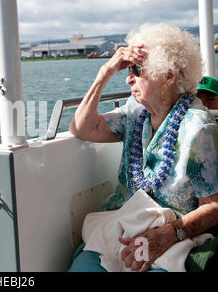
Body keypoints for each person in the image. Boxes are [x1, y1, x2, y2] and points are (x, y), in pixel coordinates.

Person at [68, 23, 218, 272]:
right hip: (116, 229)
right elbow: (81, 128)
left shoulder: (198, 128)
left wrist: (170, 234)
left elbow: (213, 206)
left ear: (169, 75)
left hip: (172, 241)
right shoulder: (135, 113)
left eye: (137, 70)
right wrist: (105, 72)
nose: (128, 79)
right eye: (127, 70)